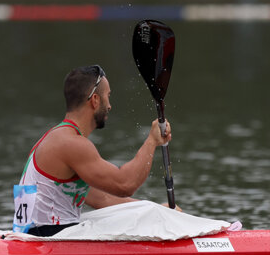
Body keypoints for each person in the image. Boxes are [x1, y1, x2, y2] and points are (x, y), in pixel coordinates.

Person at [13, 64, 172, 236]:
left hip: (32, 236)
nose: (110, 105)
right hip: (45, 240)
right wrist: (152, 141)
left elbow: (103, 198)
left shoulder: (54, 138)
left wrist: (155, 211)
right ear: (95, 100)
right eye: (108, 96)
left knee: (131, 217)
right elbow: (125, 185)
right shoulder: (71, 144)